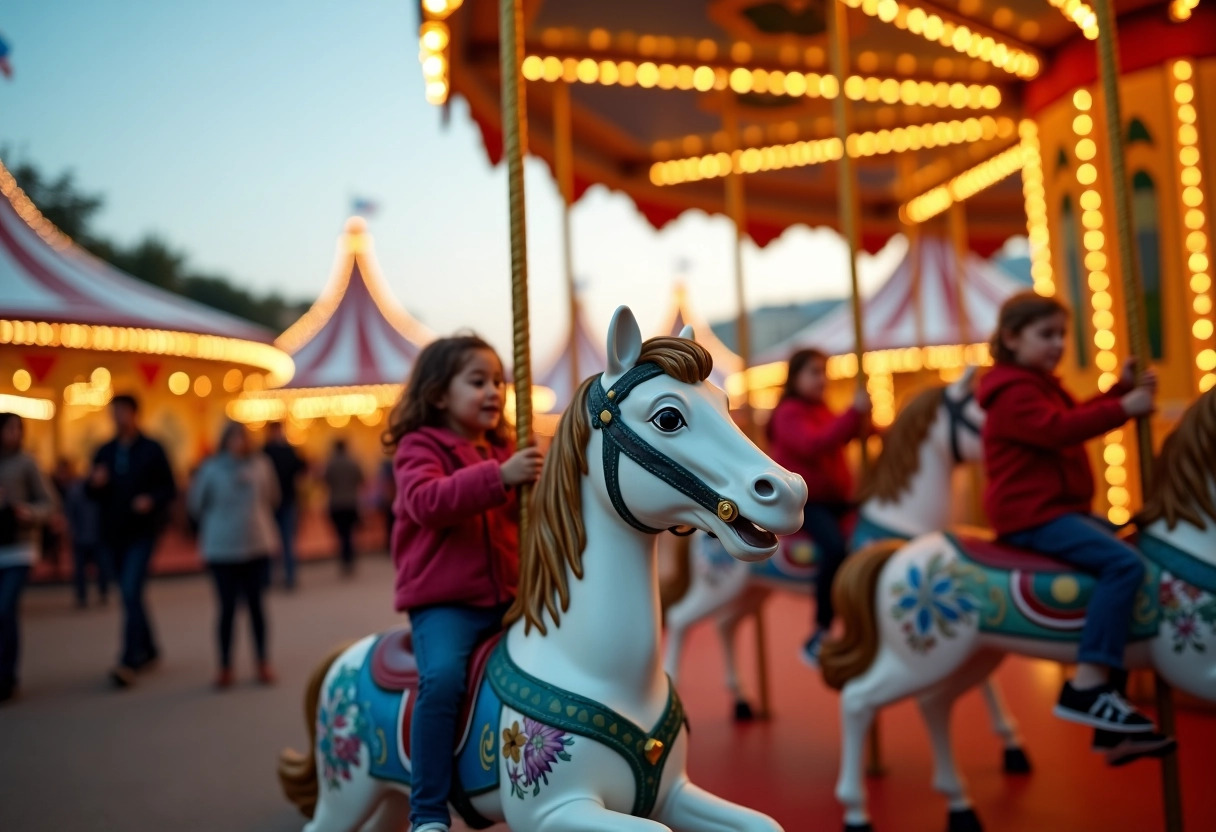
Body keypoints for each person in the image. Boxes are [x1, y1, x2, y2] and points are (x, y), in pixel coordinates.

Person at [978, 290, 1172, 762]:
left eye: (1062, 334)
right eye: (1046, 334)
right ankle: (1086, 685)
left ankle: (1109, 719)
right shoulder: (1013, 392)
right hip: (1033, 514)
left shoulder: (1037, 383)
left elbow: (1069, 415)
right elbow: (1057, 429)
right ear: (1010, 337)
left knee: (1135, 549)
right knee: (1124, 566)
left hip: (1058, 509)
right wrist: (1123, 411)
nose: (1058, 343)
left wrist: (1118, 392)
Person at [384, 334, 542, 832]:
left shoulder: (503, 449)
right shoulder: (420, 447)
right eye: (478, 382)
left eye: (498, 381)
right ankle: (428, 811)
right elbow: (426, 502)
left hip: (509, 596)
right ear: (437, 394)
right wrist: (501, 476)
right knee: (444, 681)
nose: (494, 392)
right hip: (446, 603)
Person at [766, 348, 871, 666]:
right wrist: (852, 413)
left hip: (837, 500)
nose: (821, 379)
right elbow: (814, 444)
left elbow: (844, 434)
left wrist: (868, 423)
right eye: (813, 372)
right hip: (807, 503)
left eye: (824, 372)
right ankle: (820, 631)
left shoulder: (822, 409)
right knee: (835, 548)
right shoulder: (788, 413)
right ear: (795, 377)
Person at [88, 395, 177, 689]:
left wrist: (151, 500)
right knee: (131, 593)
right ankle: (150, 647)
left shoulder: (151, 450)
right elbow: (91, 494)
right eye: (115, 412)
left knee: (129, 590)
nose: (119, 417)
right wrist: (94, 484)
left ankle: (128, 659)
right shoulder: (104, 451)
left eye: (123, 412)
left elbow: (170, 488)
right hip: (113, 534)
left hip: (142, 532)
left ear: (135, 414)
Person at [189, 421, 279, 689]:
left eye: (243, 438)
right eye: (234, 438)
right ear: (225, 441)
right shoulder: (211, 469)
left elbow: (272, 497)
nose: (239, 443)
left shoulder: (261, 465)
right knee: (226, 609)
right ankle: (225, 665)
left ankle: (262, 661)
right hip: (222, 549)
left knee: (257, 607)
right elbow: (195, 503)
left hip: (256, 545)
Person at [0, 413, 57, 703]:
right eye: (9, 428)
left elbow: (49, 502)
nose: (14, 434)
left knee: (5, 609)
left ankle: (7, 676)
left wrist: (29, 512)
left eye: (17, 429)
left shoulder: (27, 463)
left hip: (20, 545)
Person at [60, 458, 108, 607]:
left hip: (98, 535)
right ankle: (82, 596)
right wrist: (72, 529)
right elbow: (70, 512)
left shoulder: (104, 491)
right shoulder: (77, 490)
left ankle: (102, 592)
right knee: (80, 569)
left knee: (101, 566)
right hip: (81, 535)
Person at [263, 421, 305, 590]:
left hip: (286, 501)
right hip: (272, 503)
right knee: (270, 542)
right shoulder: (266, 451)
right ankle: (272, 577)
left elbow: (300, 468)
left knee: (286, 541)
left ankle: (288, 576)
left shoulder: (283, 450)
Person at [323, 439, 364, 575]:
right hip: (351, 502)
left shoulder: (330, 464)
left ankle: (344, 559)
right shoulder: (353, 462)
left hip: (336, 503)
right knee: (349, 533)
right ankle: (350, 559)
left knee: (341, 534)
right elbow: (361, 479)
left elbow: (324, 481)